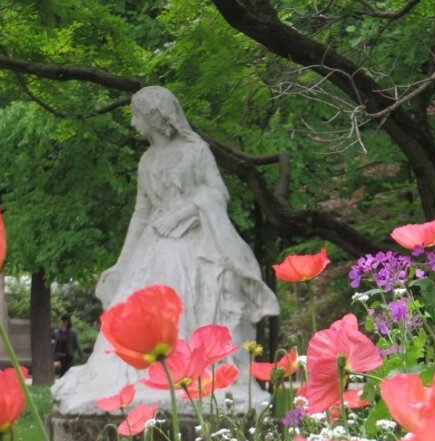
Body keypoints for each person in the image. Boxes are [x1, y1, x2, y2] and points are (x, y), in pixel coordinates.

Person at [53, 86, 279, 413]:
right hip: (152, 245)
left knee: (180, 304)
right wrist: (121, 263)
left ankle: (183, 375)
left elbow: (218, 194)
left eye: (137, 115)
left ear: (156, 118)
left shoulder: (196, 151)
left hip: (191, 243)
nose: (133, 123)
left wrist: (185, 210)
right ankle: (133, 381)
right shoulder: (146, 160)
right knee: (131, 307)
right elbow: (141, 212)